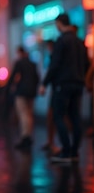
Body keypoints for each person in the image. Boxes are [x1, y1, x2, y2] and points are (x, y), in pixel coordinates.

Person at [39, 13, 89, 163]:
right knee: (75, 116)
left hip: (63, 84)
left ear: (60, 23)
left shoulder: (61, 41)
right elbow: (86, 64)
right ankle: (74, 152)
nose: (56, 28)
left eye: (56, 25)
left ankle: (66, 151)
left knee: (58, 115)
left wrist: (44, 83)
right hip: (78, 84)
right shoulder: (80, 42)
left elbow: (54, 65)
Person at [6, 46, 40, 150]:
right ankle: (29, 136)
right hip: (31, 92)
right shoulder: (33, 64)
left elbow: (13, 77)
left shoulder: (19, 63)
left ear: (20, 53)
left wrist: (7, 89)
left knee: (23, 114)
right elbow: (37, 78)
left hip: (21, 91)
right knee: (29, 114)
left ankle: (25, 137)